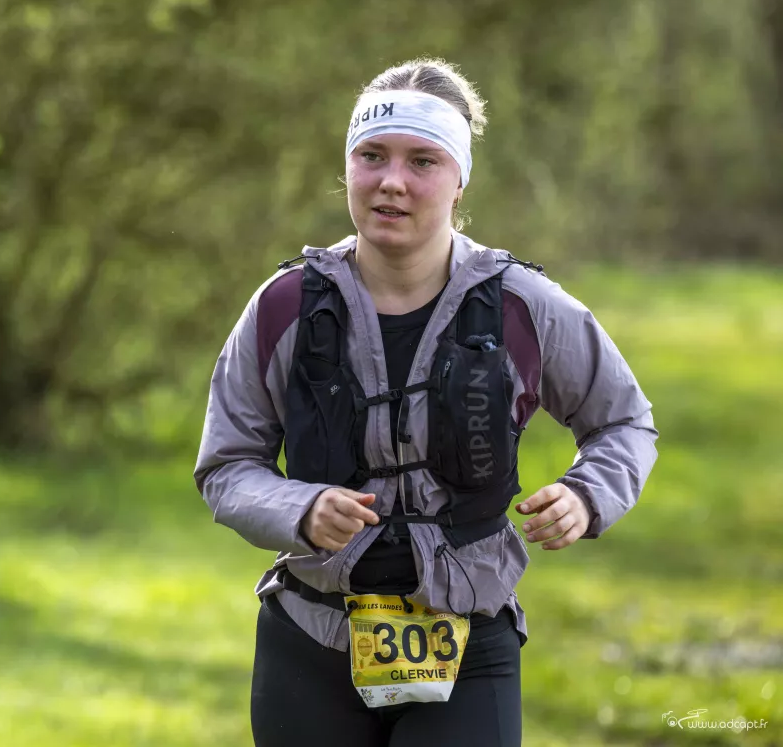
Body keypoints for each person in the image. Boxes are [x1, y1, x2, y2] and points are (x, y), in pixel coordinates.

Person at [193, 57, 659, 747]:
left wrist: (588, 496)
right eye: (372, 156)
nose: (392, 181)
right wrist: (300, 508)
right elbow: (226, 465)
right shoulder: (284, 306)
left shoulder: (522, 306)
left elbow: (624, 422)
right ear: (347, 167)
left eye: (422, 161)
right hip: (309, 640)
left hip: (469, 641)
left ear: (460, 178)